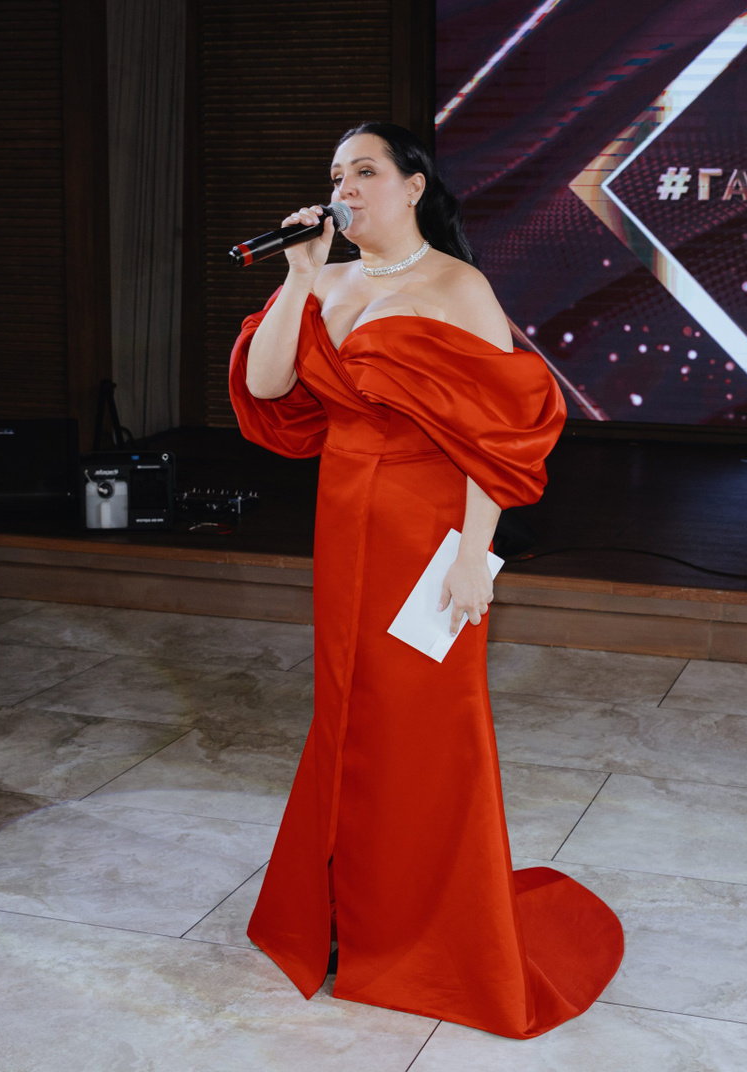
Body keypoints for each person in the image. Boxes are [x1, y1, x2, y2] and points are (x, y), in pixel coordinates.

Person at [228, 122, 624, 1039]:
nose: (346, 188)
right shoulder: (325, 279)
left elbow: (501, 429)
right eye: (337, 174)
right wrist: (299, 275)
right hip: (344, 524)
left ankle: (428, 927)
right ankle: (344, 915)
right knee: (347, 714)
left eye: (365, 171)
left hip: (428, 530)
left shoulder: (458, 286)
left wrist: (473, 555)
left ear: (413, 187)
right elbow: (268, 383)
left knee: (425, 726)